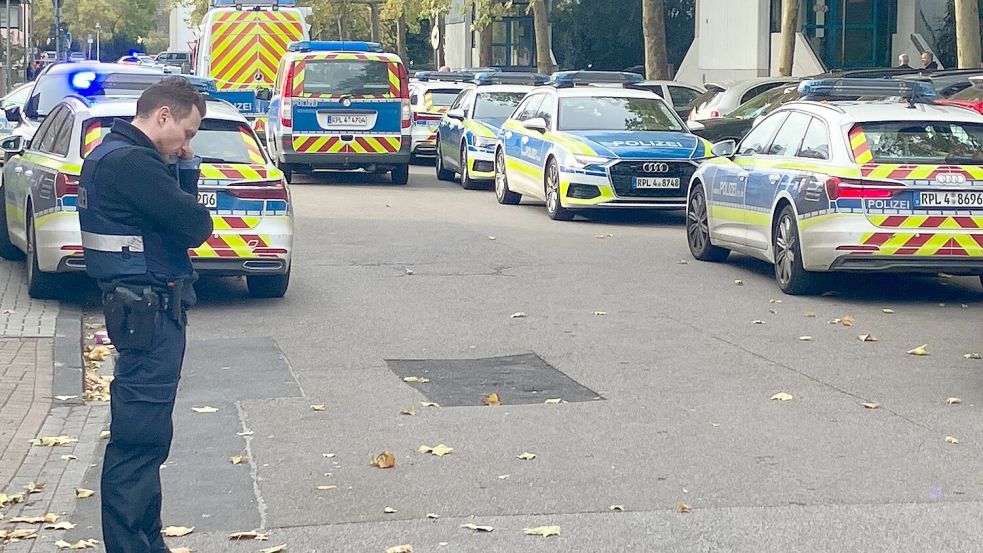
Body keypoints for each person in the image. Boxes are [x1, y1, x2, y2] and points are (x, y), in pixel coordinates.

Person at [78, 76, 213, 553]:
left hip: (141, 312)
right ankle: (132, 544)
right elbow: (195, 225)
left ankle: (145, 542)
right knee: (140, 441)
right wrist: (188, 169)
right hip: (149, 315)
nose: (186, 145)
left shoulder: (111, 155)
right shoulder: (132, 164)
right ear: (163, 116)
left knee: (145, 437)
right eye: (189, 133)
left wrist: (177, 165)